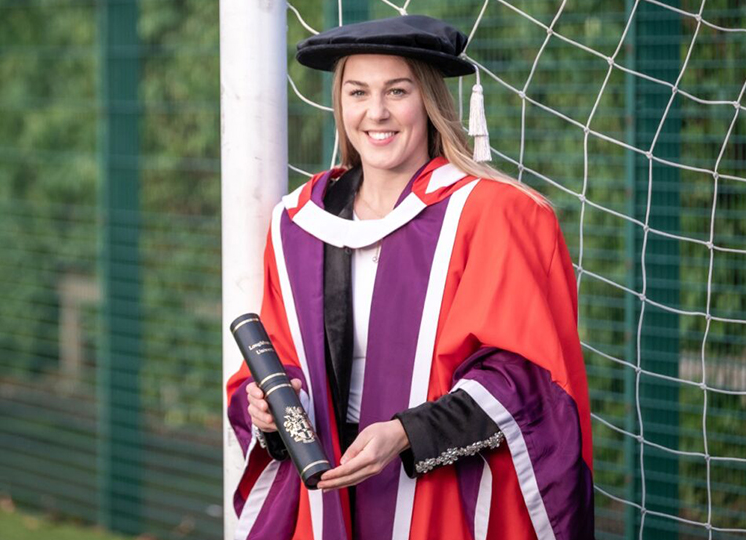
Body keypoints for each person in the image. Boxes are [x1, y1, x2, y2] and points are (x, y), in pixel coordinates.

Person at [225, 15, 593, 540]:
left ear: (429, 101)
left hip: (441, 495)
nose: (376, 112)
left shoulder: (492, 213)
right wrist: (268, 411)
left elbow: (528, 377)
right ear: (340, 104)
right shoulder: (299, 223)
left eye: (397, 91)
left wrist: (403, 434)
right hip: (329, 490)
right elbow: (276, 361)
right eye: (358, 92)